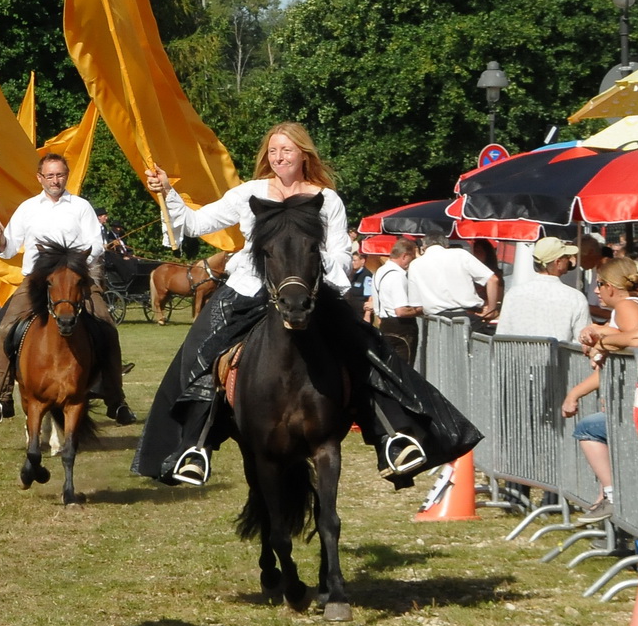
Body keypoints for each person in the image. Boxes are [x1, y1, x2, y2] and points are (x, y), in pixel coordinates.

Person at [135, 122, 453, 489]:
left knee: (365, 348)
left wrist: (312, 271)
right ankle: (194, 445)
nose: (279, 157)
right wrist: (168, 192)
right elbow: (194, 223)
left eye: (286, 150)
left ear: (304, 153)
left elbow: (338, 251)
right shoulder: (249, 193)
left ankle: (391, 437)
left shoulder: (326, 199)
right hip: (248, 289)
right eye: (273, 151)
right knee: (198, 353)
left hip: (309, 291)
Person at [0, 152, 126, 422]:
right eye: (49, 175)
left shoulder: (81, 207)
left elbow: (95, 245)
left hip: (75, 278)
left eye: (59, 174)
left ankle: (116, 400)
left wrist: (73, 261)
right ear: (40, 178)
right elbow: (8, 248)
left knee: (107, 326)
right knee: (5, 329)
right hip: (37, 280)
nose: (55, 180)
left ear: (66, 176)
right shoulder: (27, 208)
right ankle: (0, 399)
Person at [560, 256, 638, 524]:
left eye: (600, 284)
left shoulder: (626, 305)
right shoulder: (631, 306)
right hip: (635, 395)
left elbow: (636, 340)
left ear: (613, 285)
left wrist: (604, 343)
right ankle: (611, 504)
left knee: (588, 429)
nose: (597, 290)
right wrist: (598, 334)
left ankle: (612, 497)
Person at [494, 238, 590, 344]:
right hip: (557, 360)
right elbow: (583, 342)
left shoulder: (513, 294)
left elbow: (502, 337)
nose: (570, 260)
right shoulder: (575, 297)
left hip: (518, 359)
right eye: (566, 257)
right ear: (557, 262)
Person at [406, 234, 500, 325]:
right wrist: (491, 310)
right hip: (468, 317)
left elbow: (416, 304)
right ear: (446, 245)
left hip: (436, 322)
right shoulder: (460, 254)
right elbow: (493, 280)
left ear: (424, 246)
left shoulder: (415, 265)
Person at [371, 238, 421, 362]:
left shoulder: (378, 272)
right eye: (412, 258)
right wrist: (421, 310)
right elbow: (401, 311)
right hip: (401, 329)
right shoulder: (398, 276)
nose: (412, 262)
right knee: (404, 372)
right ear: (404, 256)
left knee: (388, 369)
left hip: (384, 325)